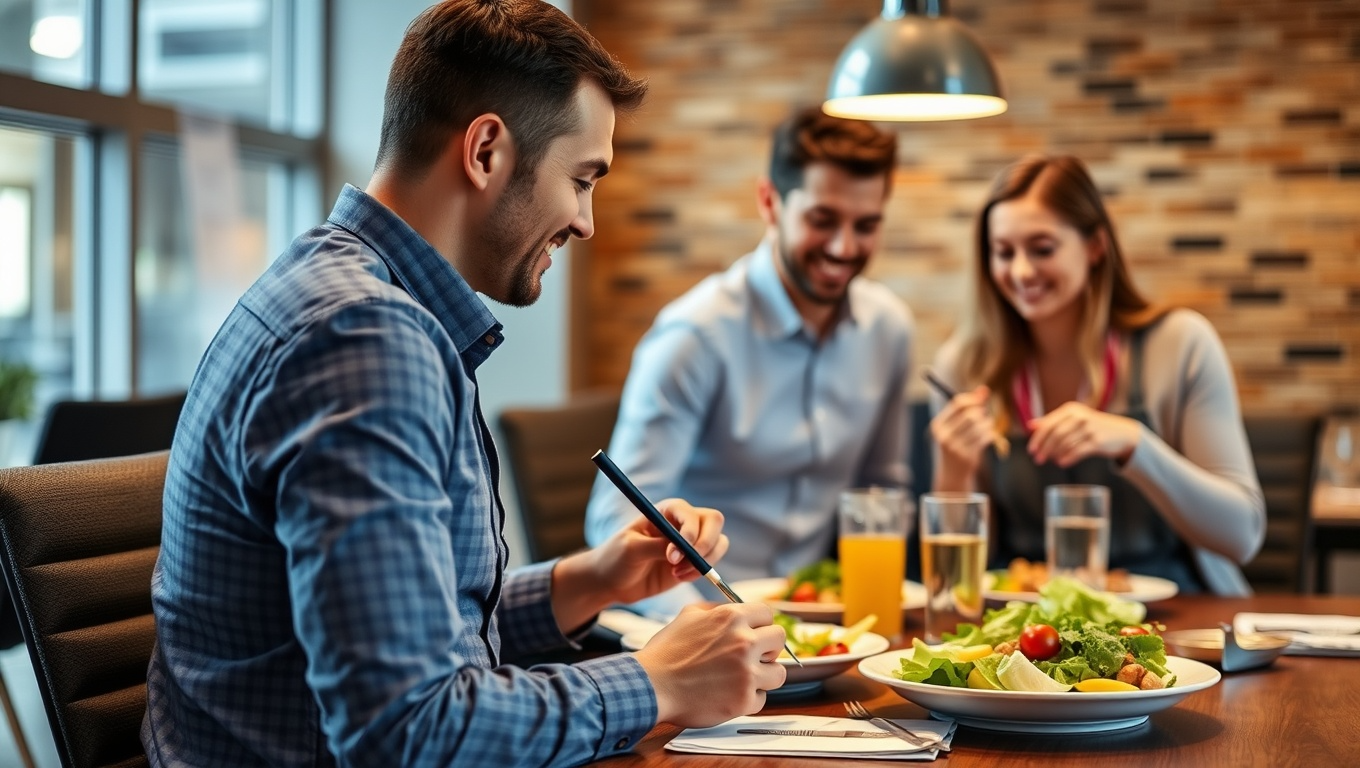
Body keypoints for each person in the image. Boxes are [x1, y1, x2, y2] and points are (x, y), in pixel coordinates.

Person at [142, 3, 786, 767]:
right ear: (486, 151)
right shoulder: (364, 341)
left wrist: (589, 581)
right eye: (582, 180)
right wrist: (656, 682)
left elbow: (408, 638)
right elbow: (409, 729)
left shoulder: (340, 296)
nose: (585, 222)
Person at [584, 107, 913, 613]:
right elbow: (614, 522)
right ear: (770, 202)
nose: (844, 247)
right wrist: (706, 628)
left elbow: (882, 495)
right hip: (695, 623)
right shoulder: (695, 335)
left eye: (866, 225)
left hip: (821, 626)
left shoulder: (889, 331)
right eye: (822, 220)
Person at [928, 154, 1265, 595]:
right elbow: (956, 584)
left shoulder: (1180, 345)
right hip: (1033, 630)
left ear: (1095, 246)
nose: (1021, 271)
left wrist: (1135, 444)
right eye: (1004, 253)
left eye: (1042, 249)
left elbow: (1243, 536)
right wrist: (955, 475)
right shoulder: (962, 366)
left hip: (1182, 617)